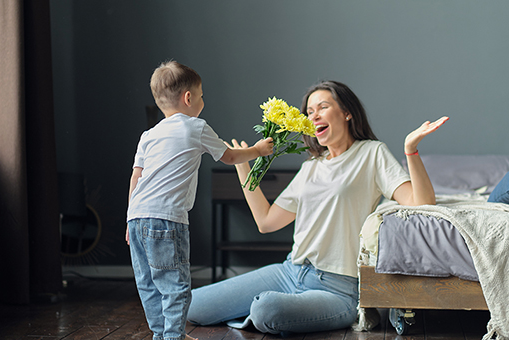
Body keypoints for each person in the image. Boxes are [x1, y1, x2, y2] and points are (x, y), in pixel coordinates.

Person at [187, 80, 448, 335]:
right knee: (191, 306)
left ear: (347, 113)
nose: (314, 116)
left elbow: (422, 203)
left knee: (266, 310)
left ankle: (266, 310)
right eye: (309, 112)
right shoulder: (310, 167)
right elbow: (266, 222)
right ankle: (268, 310)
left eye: (322, 107)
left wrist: (410, 150)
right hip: (290, 271)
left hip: (338, 288)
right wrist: (242, 166)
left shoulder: (371, 153)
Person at [125, 61, 274, 340]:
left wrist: (129, 219)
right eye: (202, 95)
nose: (203, 100)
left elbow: (137, 178)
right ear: (188, 98)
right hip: (167, 219)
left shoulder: (148, 135)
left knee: (148, 284)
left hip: (137, 218)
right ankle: (172, 337)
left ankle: (163, 334)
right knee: (175, 283)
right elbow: (229, 156)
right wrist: (258, 150)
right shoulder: (196, 127)